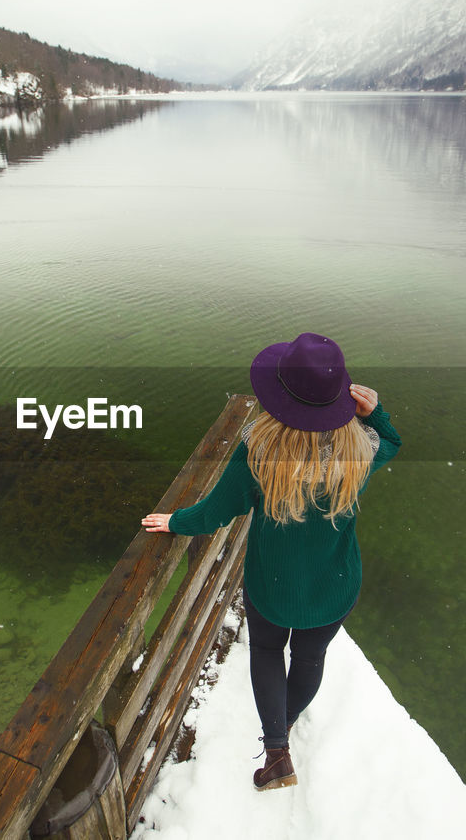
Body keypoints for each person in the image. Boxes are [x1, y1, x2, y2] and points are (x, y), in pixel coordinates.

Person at [141, 332, 401, 791]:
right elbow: (393, 441)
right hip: (336, 586)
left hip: (271, 585)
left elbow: (214, 513)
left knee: (265, 650)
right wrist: (374, 412)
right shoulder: (360, 452)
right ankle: (287, 716)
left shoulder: (258, 455)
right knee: (310, 655)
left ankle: (277, 748)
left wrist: (175, 522)